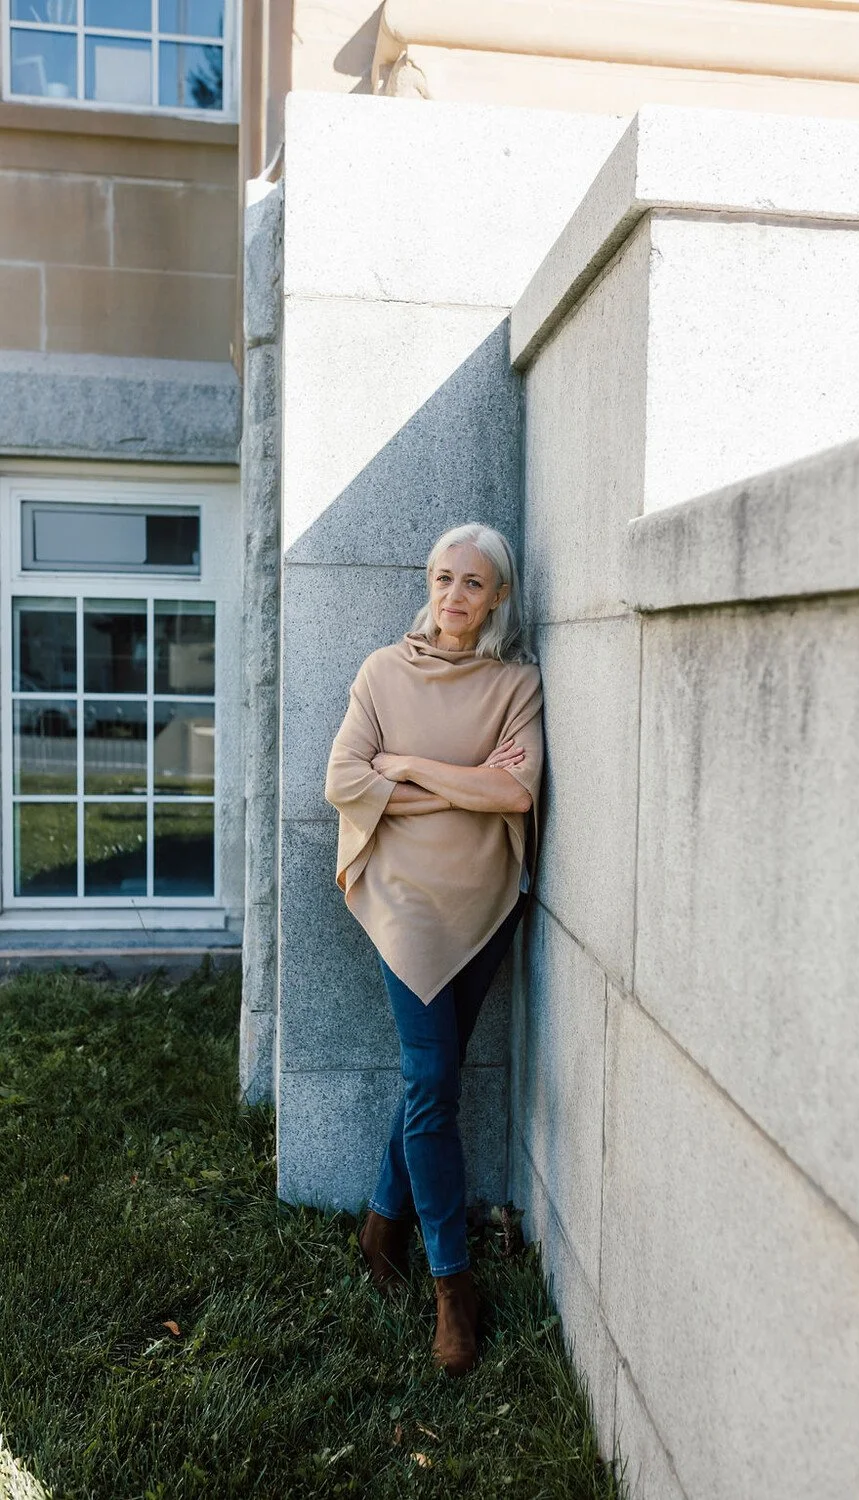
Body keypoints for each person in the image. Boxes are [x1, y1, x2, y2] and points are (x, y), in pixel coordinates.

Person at [324, 522, 543, 1376]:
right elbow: (342, 780)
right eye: (444, 579)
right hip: (405, 900)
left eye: (474, 584)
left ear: (499, 597)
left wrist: (407, 766)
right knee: (431, 1081)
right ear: (429, 582)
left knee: (433, 1076)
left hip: (486, 899)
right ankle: (454, 1283)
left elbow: (513, 791)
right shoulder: (384, 670)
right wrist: (458, 791)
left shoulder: (516, 683)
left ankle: (380, 1227)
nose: (455, 597)